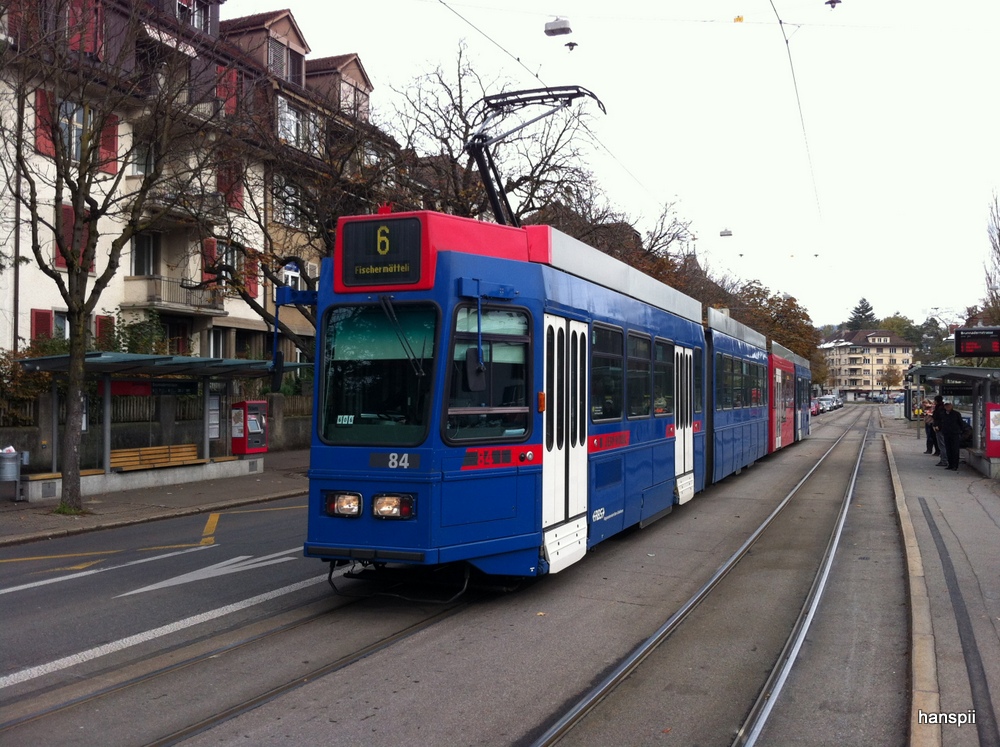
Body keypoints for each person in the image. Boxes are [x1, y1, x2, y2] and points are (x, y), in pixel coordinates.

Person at [938, 401, 965, 471]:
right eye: (946, 406)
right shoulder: (943, 414)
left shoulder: (956, 414)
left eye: (949, 406)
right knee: (948, 449)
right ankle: (950, 464)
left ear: (951, 406)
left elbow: (961, 423)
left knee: (955, 450)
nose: (948, 407)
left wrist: (961, 431)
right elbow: (941, 422)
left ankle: (955, 465)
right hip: (946, 433)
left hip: (955, 434)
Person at [931, 395, 947, 466]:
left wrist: (937, 426)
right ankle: (943, 459)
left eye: (934, 400)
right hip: (941, 428)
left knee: (942, 444)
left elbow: (939, 418)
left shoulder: (940, 408)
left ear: (936, 401)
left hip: (940, 428)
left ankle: (944, 460)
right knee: (942, 444)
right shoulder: (941, 407)